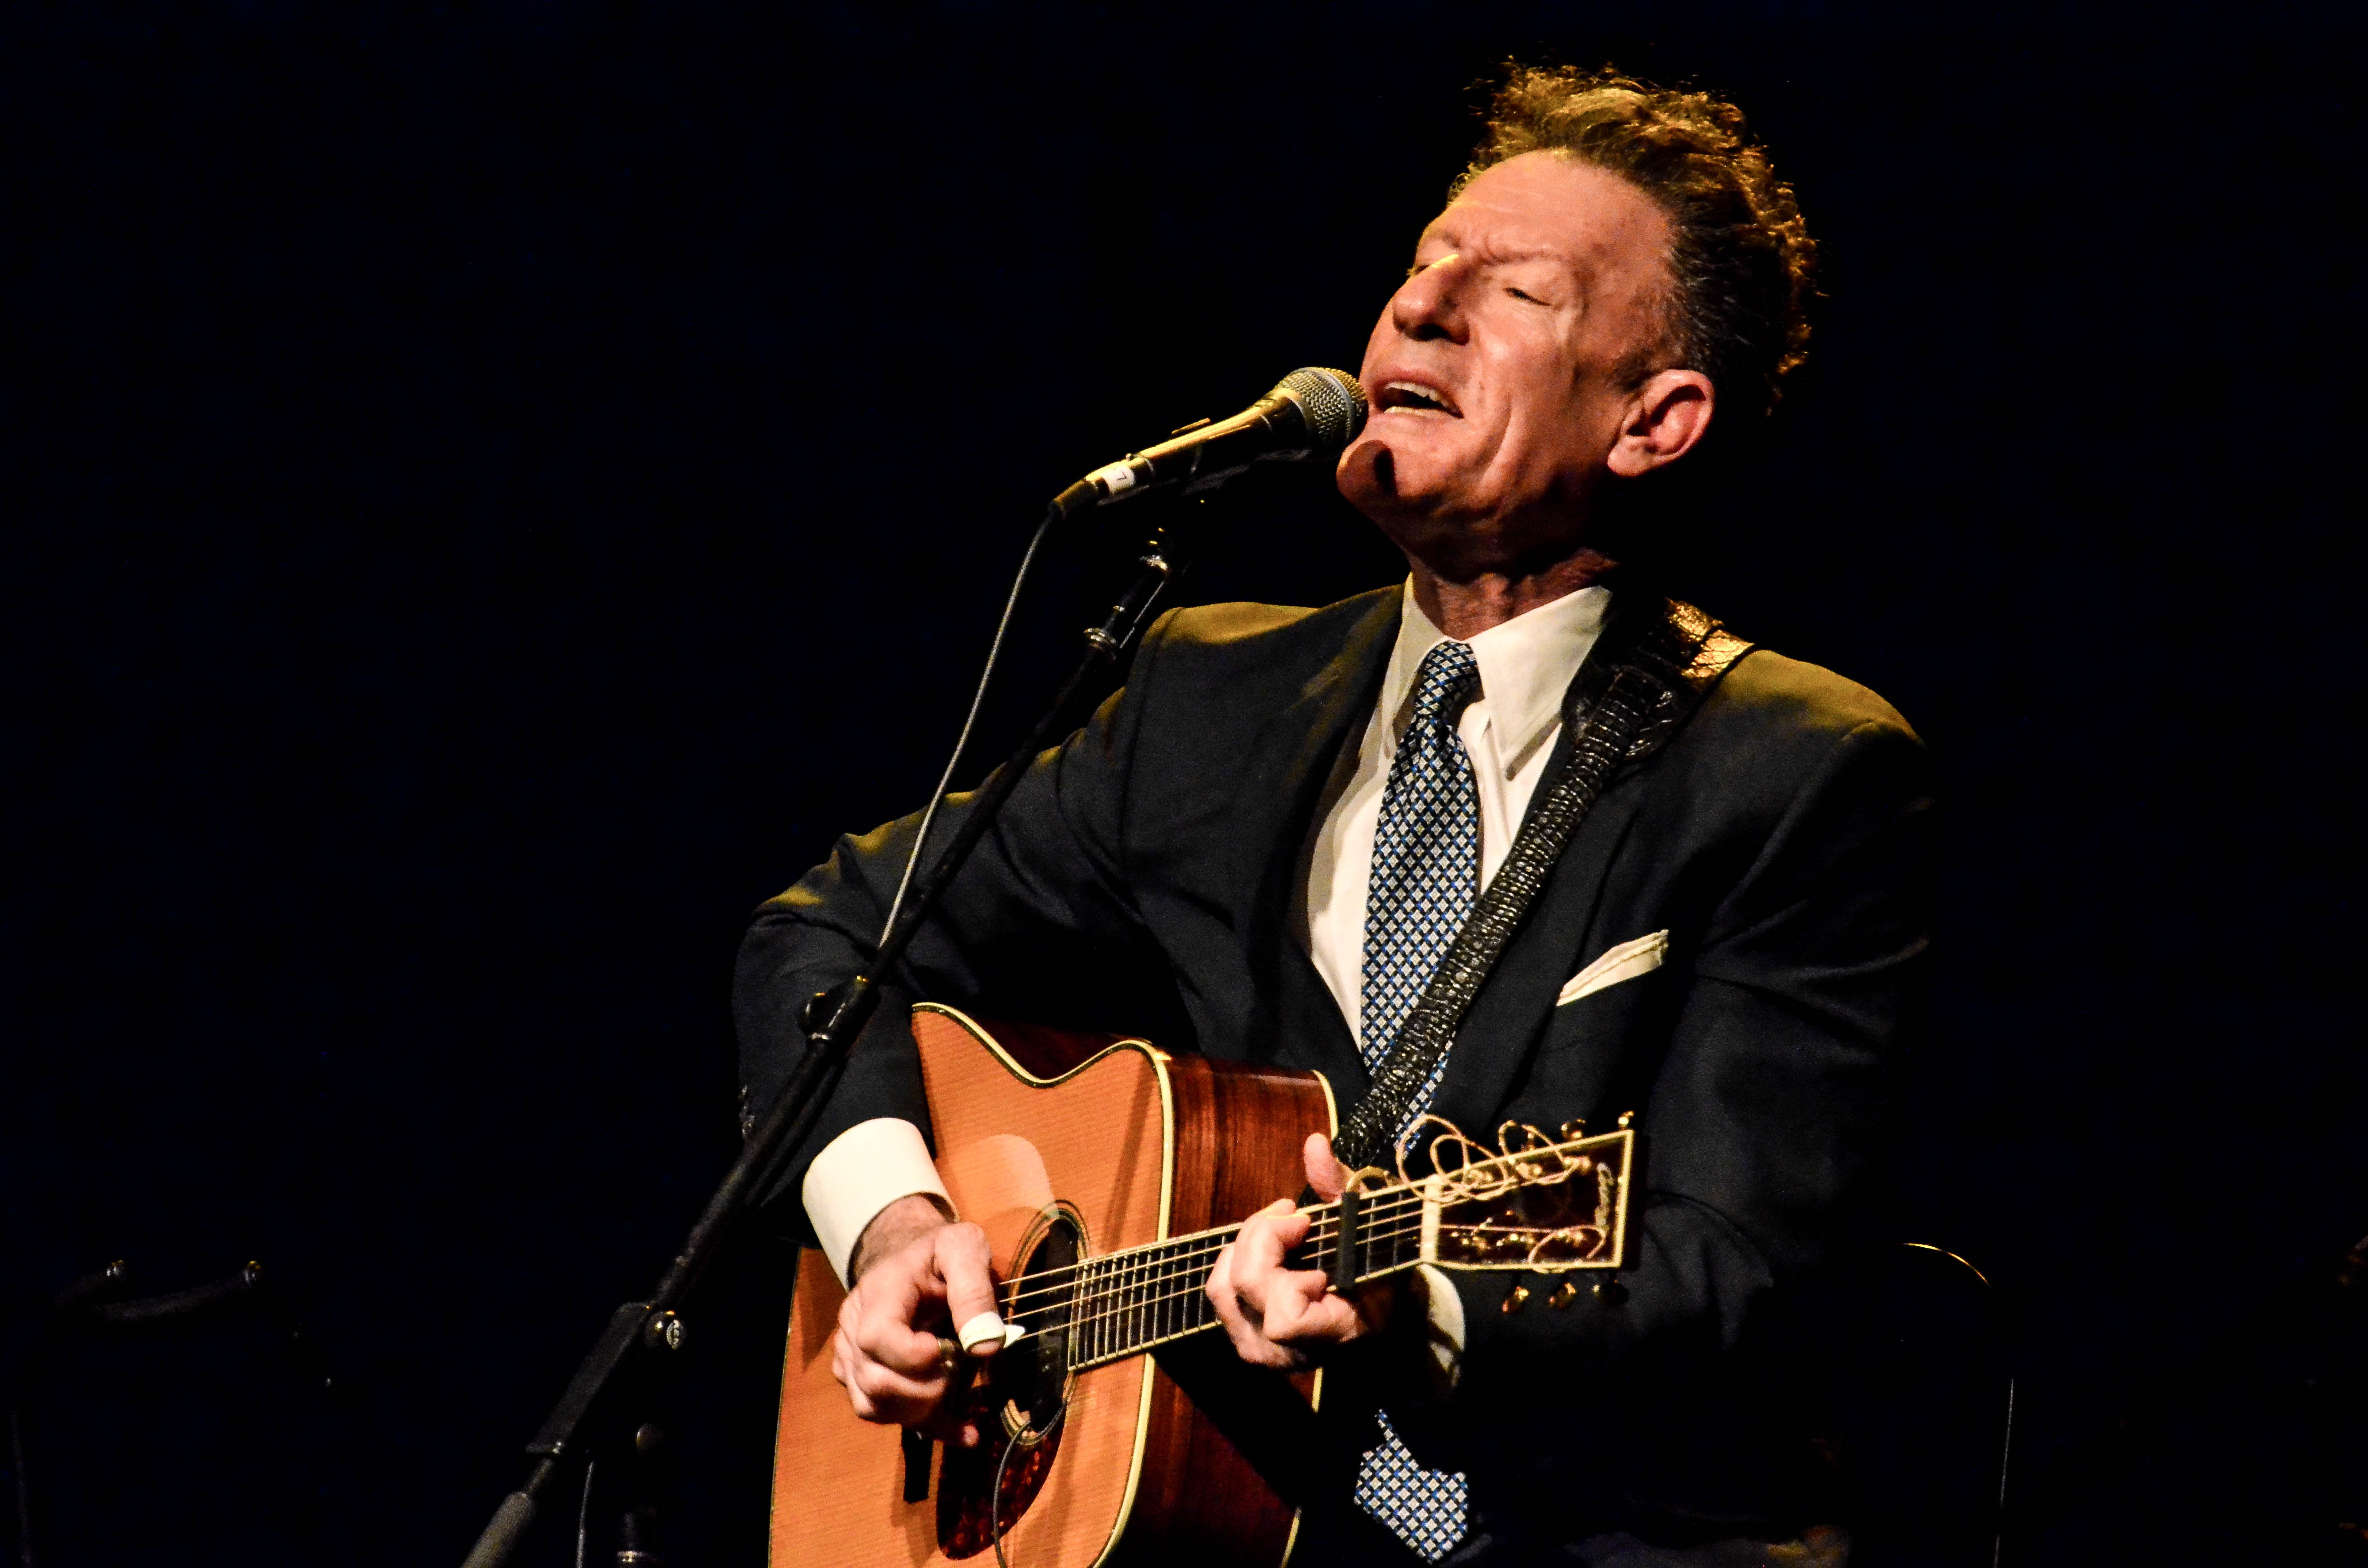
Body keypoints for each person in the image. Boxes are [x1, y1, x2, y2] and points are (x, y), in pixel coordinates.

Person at [735, 64, 1930, 1566]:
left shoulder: (1793, 768)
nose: (1416, 313)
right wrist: (896, 1229)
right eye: (1421, 269)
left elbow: (1735, 1263)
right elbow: (833, 935)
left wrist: (1419, 1305)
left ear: (1654, 420)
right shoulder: (1208, 696)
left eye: (1510, 293)